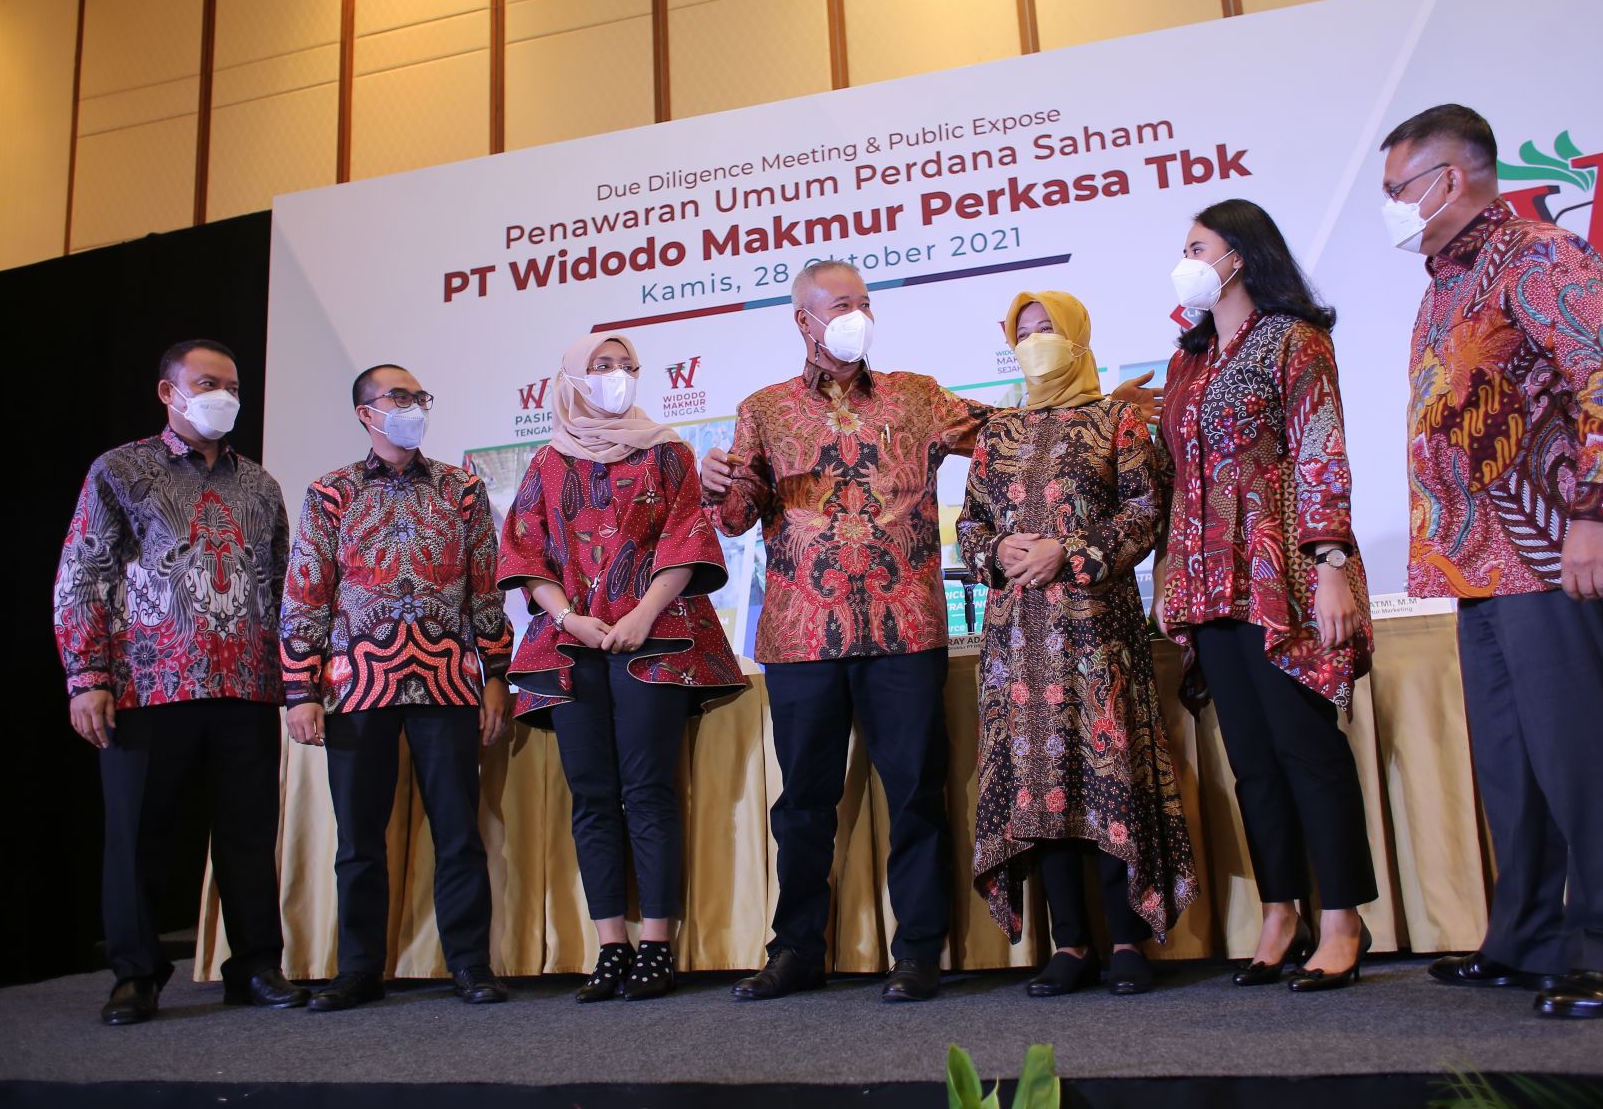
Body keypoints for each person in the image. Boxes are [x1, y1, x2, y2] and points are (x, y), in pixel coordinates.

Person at [1381, 104, 1603, 1019]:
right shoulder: (1444, 283)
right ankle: (1529, 940)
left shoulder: (1541, 257)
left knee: (1578, 757)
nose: (1392, 207)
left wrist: (1597, 515)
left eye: (1398, 189)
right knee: (1513, 766)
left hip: (1547, 550)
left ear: (1450, 178)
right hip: (1476, 564)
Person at [699, 260, 990, 1003]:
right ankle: (797, 951)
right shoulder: (763, 410)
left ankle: (918, 951)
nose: (856, 315)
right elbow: (733, 519)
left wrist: (1085, 407)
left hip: (905, 627)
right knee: (802, 803)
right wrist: (717, 485)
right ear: (803, 320)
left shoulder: (918, 396)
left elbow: (1004, 433)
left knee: (916, 794)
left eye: (864, 302)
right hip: (803, 636)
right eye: (839, 305)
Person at [1152, 199, 1377, 993]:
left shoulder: (1293, 339)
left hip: (1284, 575)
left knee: (1306, 749)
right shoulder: (1187, 362)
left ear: (1238, 256)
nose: (1185, 261)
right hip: (1208, 580)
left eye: (1197, 247)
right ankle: (1281, 911)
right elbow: (1177, 476)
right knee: (1251, 760)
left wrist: (1331, 562)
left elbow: (1321, 450)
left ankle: (1343, 918)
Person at [54, 339, 305, 1025]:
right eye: (208, 383)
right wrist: (87, 676)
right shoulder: (120, 470)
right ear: (169, 392)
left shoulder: (260, 485)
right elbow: (84, 573)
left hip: (246, 684)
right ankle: (135, 975)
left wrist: (296, 675)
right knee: (139, 835)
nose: (224, 396)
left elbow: (283, 585)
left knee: (248, 834)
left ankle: (256, 965)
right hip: (149, 684)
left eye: (233, 386)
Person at [955, 291, 1198, 997]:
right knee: (1041, 784)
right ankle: (1070, 944)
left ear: (1078, 337)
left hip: (1096, 630)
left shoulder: (1117, 419)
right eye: (1024, 331)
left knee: (1106, 773)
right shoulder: (997, 432)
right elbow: (970, 524)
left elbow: (1145, 512)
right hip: (1017, 638)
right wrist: (998, 549)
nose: (1036, 341)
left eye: (1048, 329)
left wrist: (1069, 550)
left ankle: (1125, 939)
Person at [496, 332, 745, 1003]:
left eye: (627, 366)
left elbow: (687, 538)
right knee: (592, 795)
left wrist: (643, 614)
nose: (617, 376)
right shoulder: (547, 461)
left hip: (654, 638)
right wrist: (567, 618)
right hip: (569, 644)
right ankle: (611, 946)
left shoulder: (667, 451)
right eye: (602, 366)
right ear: (572, 377)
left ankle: (657, 945)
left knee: (650, 789)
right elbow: (524, 553)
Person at [281, 364, 514, 1012]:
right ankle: (359, 970)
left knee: (458, 833)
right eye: (399, 397)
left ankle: (469, 965)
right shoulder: (331, 493)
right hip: (357, 686)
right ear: (366, 413)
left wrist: (496, 674)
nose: (414, 407)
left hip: (447, 682)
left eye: (420, 397)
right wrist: (300, 688)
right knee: (360, 840)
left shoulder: (462, 489)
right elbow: (305, 593)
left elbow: (485, 589)